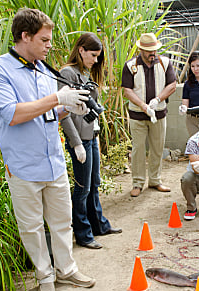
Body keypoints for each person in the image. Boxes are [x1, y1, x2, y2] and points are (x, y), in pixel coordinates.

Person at [0, 8, 95, 291]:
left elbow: (45, 114)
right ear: (25, 36)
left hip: (53, 161)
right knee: (31, 227)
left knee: (62, 221)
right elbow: (13, 115)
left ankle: (66, 270)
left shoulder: (44, 69)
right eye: (44, 40)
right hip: (22, 165)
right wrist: (57, 97)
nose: (49, 46)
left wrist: (66, 108)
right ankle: (45, 276)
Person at [59, 32, 122, 250]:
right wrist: (75, 143)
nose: (95, 60)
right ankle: (83, 233)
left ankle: (99, 225)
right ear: (81, 50)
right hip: (81, 139)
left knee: (94, 184)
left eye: (98, 57)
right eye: (93, 55)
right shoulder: (67, 72)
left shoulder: (84, 73)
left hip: (91, 136)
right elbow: (63, 113)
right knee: (82, 188)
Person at [121, 33, 177, 197]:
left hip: (158, 114)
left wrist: (158, 99)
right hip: (138, 115)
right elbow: (127, 90)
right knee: (138, 149)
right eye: (148, 51)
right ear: (140, 49)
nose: (152, 53)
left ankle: (155, 180)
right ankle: (138, 183)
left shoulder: (164, 63)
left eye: (154, 50)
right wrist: (143, 105)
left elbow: (172, 84)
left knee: (157, 148)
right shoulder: (131, 65)